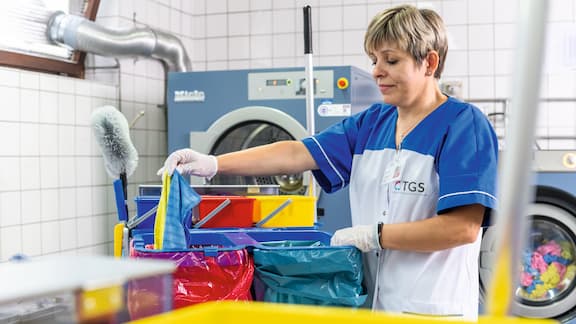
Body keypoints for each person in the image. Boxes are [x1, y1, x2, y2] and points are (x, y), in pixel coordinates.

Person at [158, 4, 498, 321]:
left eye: (391, 60)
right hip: (370, 305)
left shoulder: (463, 125)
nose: (377, 71)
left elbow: (461, 228)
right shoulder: (372, 123)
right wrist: (213, 163)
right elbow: (295, 153)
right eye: (374, 59)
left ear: (429, 62)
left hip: (433, 309)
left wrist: (373, 235)